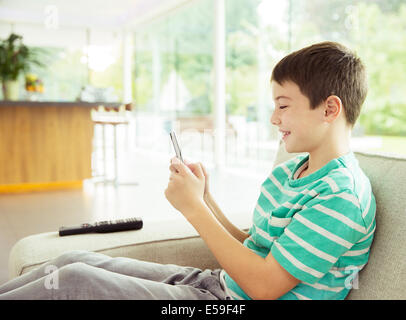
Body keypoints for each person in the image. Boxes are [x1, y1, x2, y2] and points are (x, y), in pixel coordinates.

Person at [0, 41, 376, 300]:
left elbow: (264, 287)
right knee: (74, 262)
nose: (273, 118)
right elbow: (256, 249)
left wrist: (193, 209)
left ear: (329, 109)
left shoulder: (341, 196)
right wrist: (207, 198)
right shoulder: (293, 171)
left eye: (283, 105)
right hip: (218, 286)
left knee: (73, 282)